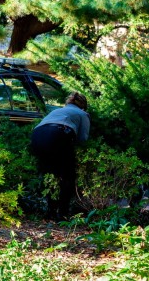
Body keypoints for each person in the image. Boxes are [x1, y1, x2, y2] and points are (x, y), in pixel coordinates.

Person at [30, 92, 90, 221]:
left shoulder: (57, 111)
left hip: (37, 136)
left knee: (49, 173)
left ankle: (49, 210)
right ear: (83, 106)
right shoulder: (82, 114)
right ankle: (62, 213)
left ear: (67, 103)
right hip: (59, 134)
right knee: (68, 177)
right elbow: (83, 138)